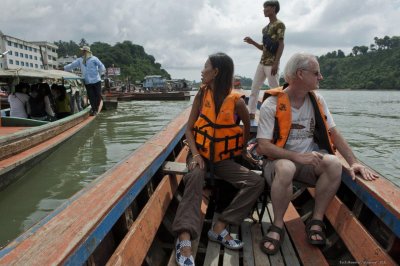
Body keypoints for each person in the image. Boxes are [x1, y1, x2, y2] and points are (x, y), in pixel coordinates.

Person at [256, 52, 379, 255]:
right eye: (317, 73)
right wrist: (296, 156)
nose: (320, 77)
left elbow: (334, 133)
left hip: (307, 165)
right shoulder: (272, 104)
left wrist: (354, 161)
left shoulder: (317, 100)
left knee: (333, 163)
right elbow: (263, 146)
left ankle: (316, 219)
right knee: (286, 167)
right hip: (278, 166)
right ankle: (278, 225)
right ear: (300, 74)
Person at [172, 53, 264, 266]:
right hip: (199, 153)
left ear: (216, 72)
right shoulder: (201, 94)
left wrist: (241, 150)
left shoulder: (236, 101)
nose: (202, 71)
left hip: (222, 158)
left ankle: (220, 227)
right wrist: (195, 155)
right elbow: (188, 129)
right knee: (195, 176)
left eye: (205, 67)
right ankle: (184, 238)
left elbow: (247, 127)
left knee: (255, 182)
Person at [244, 0, 285, 120]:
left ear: (273, 8)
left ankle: (279, 113)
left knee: (275, 90)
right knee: (254, 87)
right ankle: (251, 113)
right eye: (264, 7)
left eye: (266, 7)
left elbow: (281, 45)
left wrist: (276, 63)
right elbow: (264, 48)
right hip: (262, 63)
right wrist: (252, 42)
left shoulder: (279, 25)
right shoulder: (265, 29)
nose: (264, 10)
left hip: (272, 63)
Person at [64, 45, 105, 116]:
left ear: (86, 51)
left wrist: (99, 74)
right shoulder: (80, 60)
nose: (82, 52)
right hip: (88, 82)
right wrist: (64, 68)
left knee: (98, 95)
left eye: (83, 51)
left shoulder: (94, 59)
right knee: (91, 96)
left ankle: (96, 107)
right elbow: (72, 65)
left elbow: (102, 66)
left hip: (96, 80)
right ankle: (94, 110)